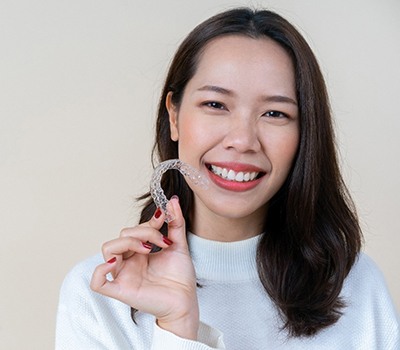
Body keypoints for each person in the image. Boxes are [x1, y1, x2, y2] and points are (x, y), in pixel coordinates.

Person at [56, 7, 400, 349]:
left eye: (275, 113)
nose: (243, 140)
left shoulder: (357, 287)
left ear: (305, 132)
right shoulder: (101, 294)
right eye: (216, 105)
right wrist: (177, 327)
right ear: (174, 116)